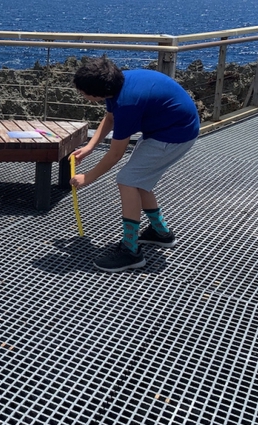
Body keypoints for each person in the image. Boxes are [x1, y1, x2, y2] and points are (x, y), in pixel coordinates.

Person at [69, 56, 199, 272]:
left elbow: (115, 154)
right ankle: (160, 233)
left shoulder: (127, 102)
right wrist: (90, 147)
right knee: (139, 181)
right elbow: (110, 118)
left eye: (83, 93)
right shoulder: (118, 83)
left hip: (175, 135)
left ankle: (131, 251)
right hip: (167, 129)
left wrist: (87, 177)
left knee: (127, 180)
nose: (82, 96)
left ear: (97, 93)